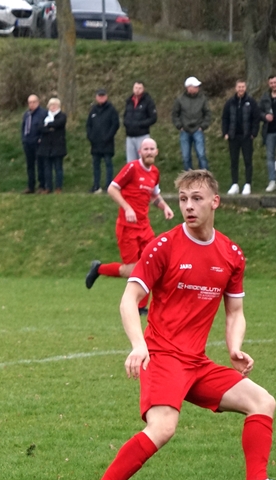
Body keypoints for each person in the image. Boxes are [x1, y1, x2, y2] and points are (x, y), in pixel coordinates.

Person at [76, 169, 276, 480]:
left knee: (262, 402)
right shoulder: (164, 245)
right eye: (183, 199)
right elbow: (129, 299)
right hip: (162, 356)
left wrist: (234, 347)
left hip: (196, 362)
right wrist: (138, 345)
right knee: (163, 427)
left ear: (215, 202)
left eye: (197, 199)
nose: (188, 206)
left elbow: (235, 311)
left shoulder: (231, 254)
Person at [86, 138, 174, 315]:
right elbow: (112, 188)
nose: (149, 152)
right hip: (127, 227)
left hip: (144, 227)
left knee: (151, 263)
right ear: (140, 152)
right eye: (145, 149)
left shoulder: (155, 172)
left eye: (152, 149)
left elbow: (154, 194)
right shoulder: (132, 168)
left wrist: (165, 207)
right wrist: (127, 208)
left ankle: (141, 307)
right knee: (132, 270)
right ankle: (99, 269)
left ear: (156, 152)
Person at [222, 80, 260, 196]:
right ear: (235, 88)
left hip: (246, 136)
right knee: (234, 161)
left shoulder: (251, 101)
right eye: (239, 87)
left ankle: (248, 184)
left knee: (248, 160)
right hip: (233, 136)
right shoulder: (230, 102)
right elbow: (225, 118)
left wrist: (253, 133)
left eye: (243, 87)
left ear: (245, 88)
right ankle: (235, 184)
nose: (241, 89)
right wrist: (225, 132)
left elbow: (256, 118)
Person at [172, 77, 211, 171]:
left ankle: (205, 175)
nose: (198, 88)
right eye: (195, 86)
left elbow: (207, 113)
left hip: (198, 130)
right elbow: (175, 114)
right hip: (184, 131)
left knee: (201, 155)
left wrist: (203, 126)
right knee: (186, 157)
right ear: (189, 87)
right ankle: (188, 176)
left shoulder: (202, 99)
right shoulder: (180, 99)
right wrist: (179, 126)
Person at [86, 88, 120, 194]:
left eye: (103, 96)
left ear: (106, 97)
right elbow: (88, 125)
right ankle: (96, 185)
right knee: (96, 165)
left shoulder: (111, 109)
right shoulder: (93, 110)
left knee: (108, 163)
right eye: (99, 96)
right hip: (95, 143)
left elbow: (115, 125)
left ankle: (109, 186)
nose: (101, 98)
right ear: (96, 97)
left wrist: (108, 137)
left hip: (107, 142)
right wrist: (90, 137)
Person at [123, 81, 157, 163]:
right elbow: (125, 115)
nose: (137, 90)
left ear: (143, 89)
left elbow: (153, 118)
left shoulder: (148, 101)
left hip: (142, 136)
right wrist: (126, 123)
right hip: (130, 136)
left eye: (140, 88)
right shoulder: (129, 101)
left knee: (143, 160)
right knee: (131, 162)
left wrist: (140, 124)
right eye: (136, 88)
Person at [38, 97, 67, 194]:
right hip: (46, 146)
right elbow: (40, 127)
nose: (53, 106)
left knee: (58, 168)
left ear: (59, 106)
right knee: (47, 168)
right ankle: (48, 187)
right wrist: (50, 128)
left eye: (55, 105)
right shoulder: (44, 116)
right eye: (51, 105)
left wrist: (47, 125)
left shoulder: (62, 116)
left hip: (58, 146)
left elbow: (58, 124)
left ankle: (58, 187)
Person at [21, 94, 45, 194]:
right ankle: (31, 186)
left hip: (38, 142)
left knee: (40, 165)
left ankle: (42, 185)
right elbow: (23, 127)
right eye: (30, 102)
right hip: (27, 142)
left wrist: (41, 138)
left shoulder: (43, 113)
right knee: (30, 165)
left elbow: (45, 127)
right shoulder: (27, 114)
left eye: (33, 102)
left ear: (38, 102)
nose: (31, 104)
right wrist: (23, 138)